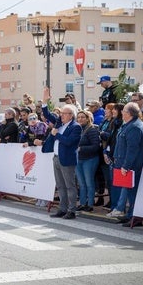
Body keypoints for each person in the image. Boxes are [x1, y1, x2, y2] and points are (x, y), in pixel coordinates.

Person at [37, 88, 82, 220]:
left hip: (67, 159)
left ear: (71, 115)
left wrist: (57, 135)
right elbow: (47, 114)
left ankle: (71, 210)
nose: (61, 115)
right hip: (56, 158)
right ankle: (62, 209)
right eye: (61, 113)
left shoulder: (75, 127)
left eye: (64, 113)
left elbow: (69, 142)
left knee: (70, 186)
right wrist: (45, 102)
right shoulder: (59, 122)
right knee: (60, 185)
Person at [107, 102, 143, 227]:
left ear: (130, 113)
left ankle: (135, 218)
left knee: (132, 192)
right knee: (129, 192)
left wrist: (126, 166)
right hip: (124, 164)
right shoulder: (129, 125)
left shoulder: (135, 127)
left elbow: (132, 149)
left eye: (124, 110)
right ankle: (130, 215)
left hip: (132, 167)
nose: (122, 112)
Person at [74, 110, 101, 212]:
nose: (80, 119)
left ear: (88, 118)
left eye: (82, 117)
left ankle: (90, 204)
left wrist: (81, 148)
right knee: (81, 183)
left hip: (90, 159)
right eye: (79, 117)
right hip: (78, 159)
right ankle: (82, 203)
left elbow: (95, 146)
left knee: (89, 182)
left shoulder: (92, 129)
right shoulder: (77, 129)